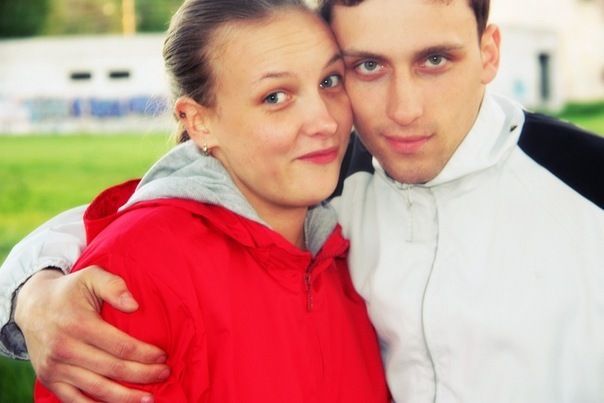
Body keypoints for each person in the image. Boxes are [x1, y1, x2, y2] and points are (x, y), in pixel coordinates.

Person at [2, 0, 604, 401]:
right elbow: (140, 219)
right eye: (367, 66)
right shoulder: (328, 179)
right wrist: (32, 292)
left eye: (435, 60)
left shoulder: (586, 183)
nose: (403, 110)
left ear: (489, 51)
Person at [5, 0, 393, 401]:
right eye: (275, 97)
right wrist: (30, 292)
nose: (326, 122)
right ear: (199, 122)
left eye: (330, 81)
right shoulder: (135, 275)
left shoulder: (347, 247)